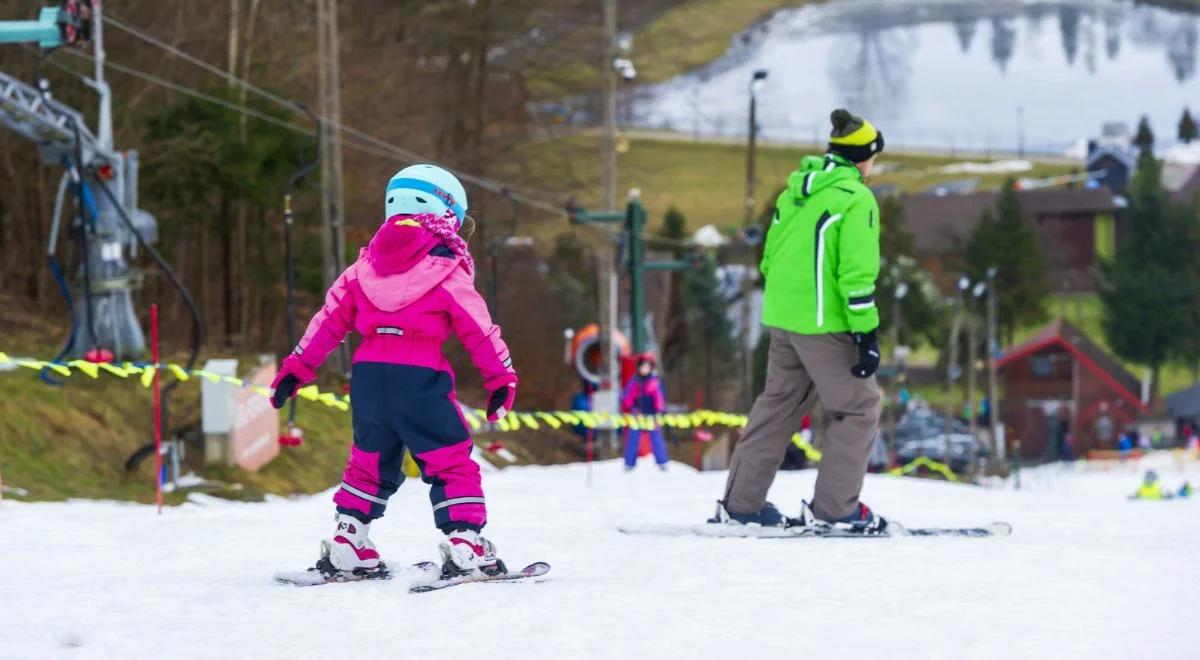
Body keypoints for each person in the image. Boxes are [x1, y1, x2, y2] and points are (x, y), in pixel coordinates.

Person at [270, 164, 518, 580]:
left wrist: (297, 368)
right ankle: (466, 543)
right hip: (419, 373)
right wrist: (501, 378)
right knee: (448, 456)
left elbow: (328, 319)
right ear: (448, 213)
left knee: (369, 459)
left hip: (367, 376)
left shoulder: (363, 266)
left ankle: (349, 539)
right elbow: (479, 328)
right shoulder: (446, 267)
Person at [711, 108, 887, 534]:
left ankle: (741, 505)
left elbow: (769, 258)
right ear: (863, 156)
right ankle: (836, 510)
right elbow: (856, 273)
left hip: (784, 319)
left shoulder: (794, 193)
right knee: (859, 408)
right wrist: (865, 332)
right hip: (826, 323)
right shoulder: (855, 199)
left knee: (777, 407)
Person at [621, 353, 669, 470]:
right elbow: (627, 398)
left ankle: (662, 462)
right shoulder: (634, 382)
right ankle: (629, 464)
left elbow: (659, 398)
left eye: (647, 367)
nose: (645, 369)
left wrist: (660, 411)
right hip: (637, 414)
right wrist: (632, 408)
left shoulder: (654, 382)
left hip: (652, 415)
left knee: (656, 439)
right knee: (632, 439)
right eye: (643, 367)